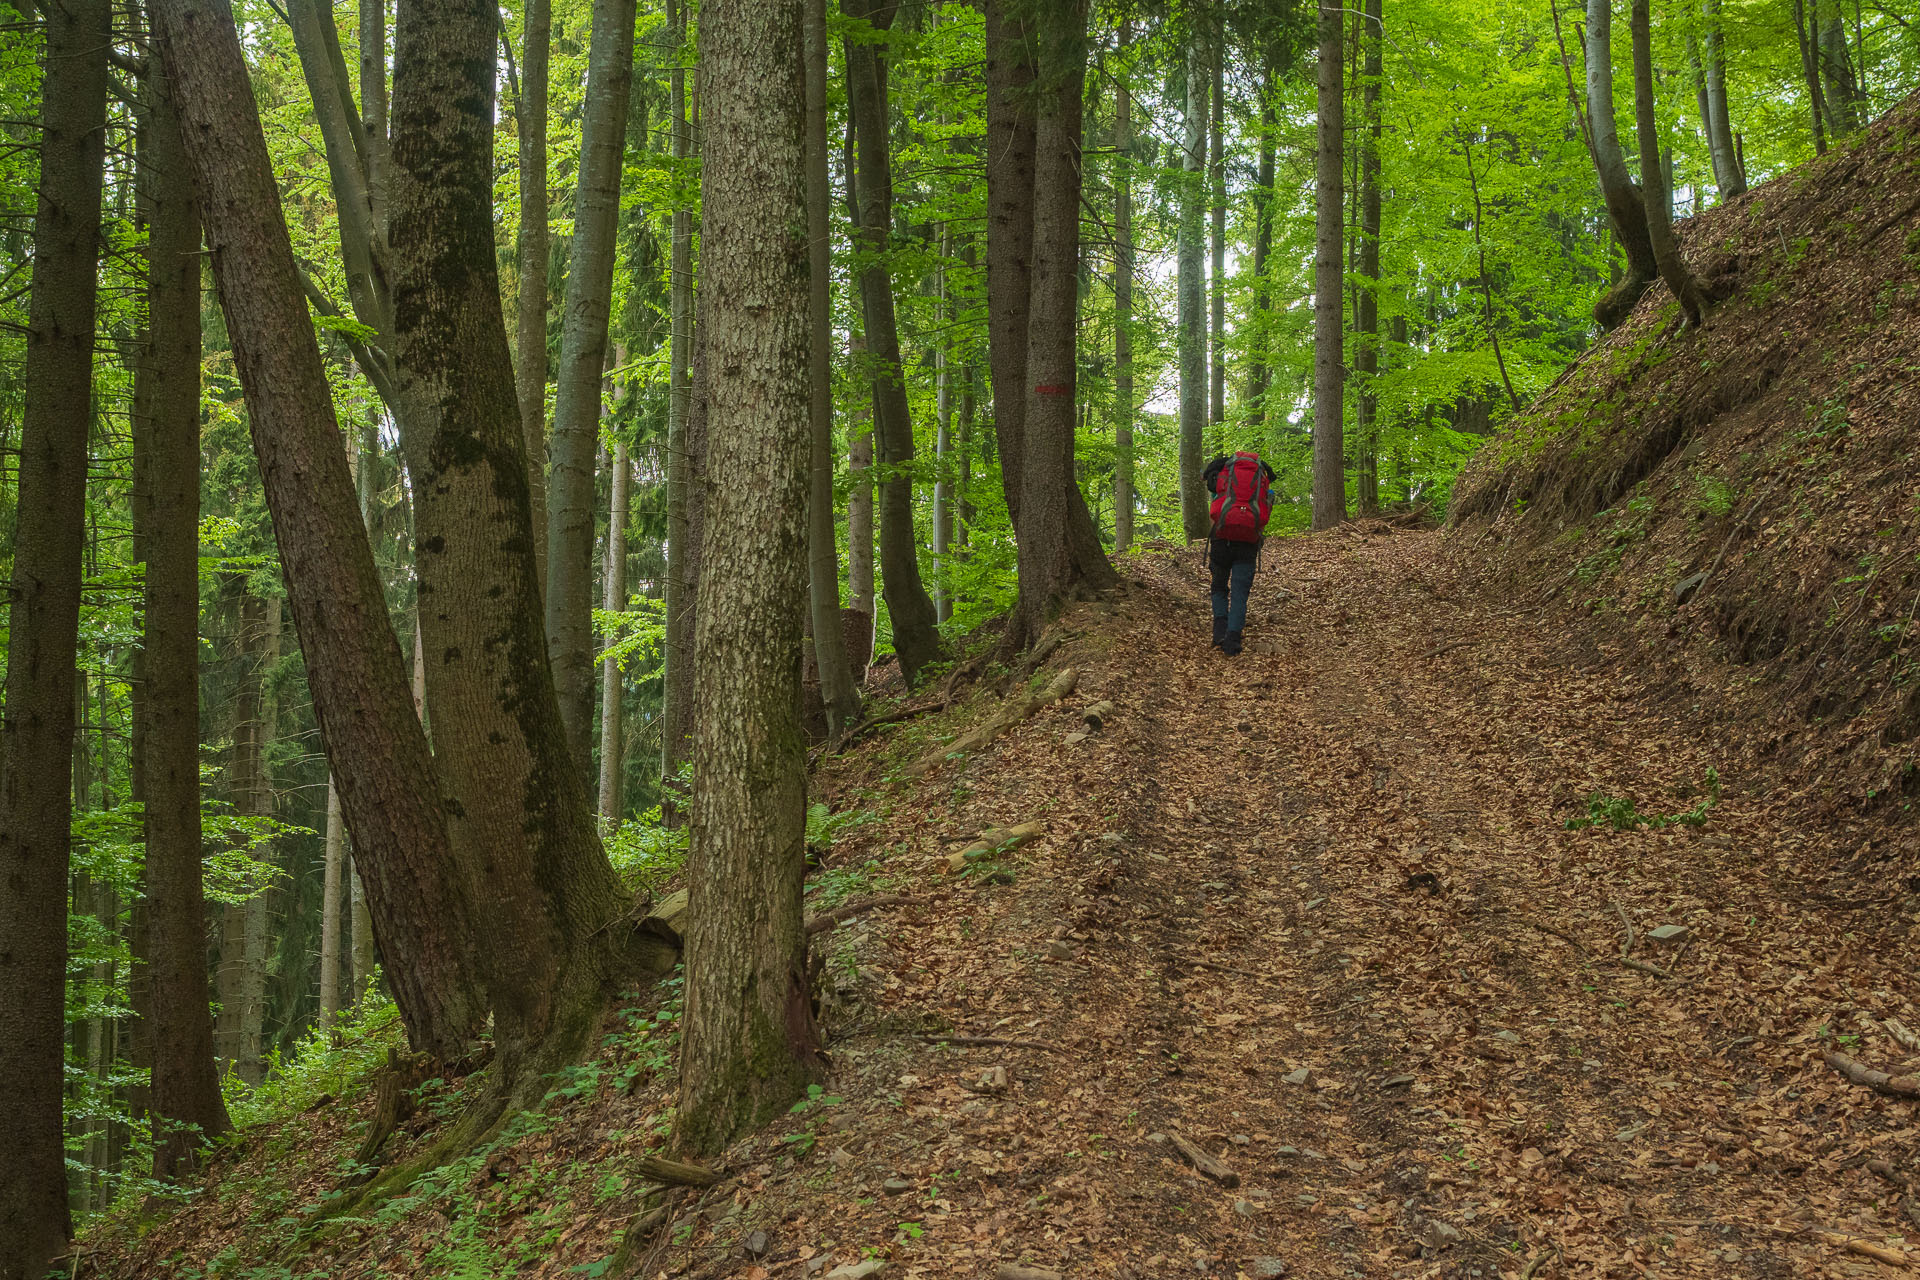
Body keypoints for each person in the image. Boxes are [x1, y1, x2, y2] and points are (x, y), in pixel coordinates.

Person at [1202, 451, 1276, 656]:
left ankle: (1219, 631)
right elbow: (1267, 501)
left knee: (1218, 585)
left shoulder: (1222, 470)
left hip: (1221, 539)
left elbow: (1208, 484)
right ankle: (1233, 640)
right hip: (1248, 542)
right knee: (1240, 593)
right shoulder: (1262, 473)